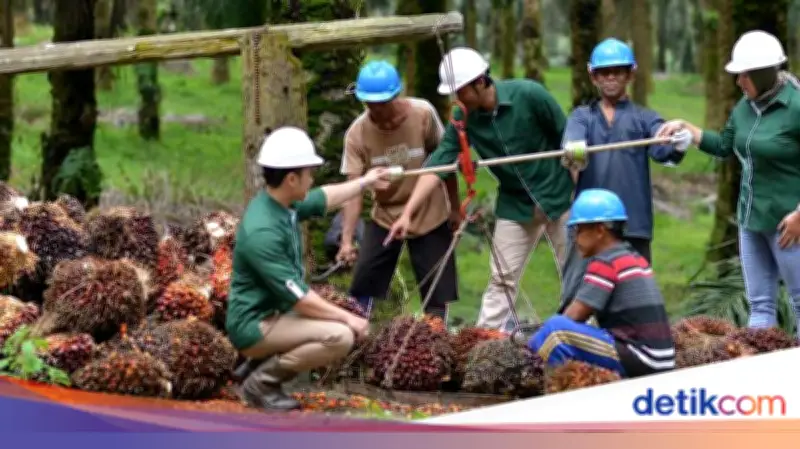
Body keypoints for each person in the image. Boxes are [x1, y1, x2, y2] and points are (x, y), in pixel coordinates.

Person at [385, 47, 574, 330]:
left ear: (480, 81)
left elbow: (569, 138)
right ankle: (484, 343)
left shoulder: (530, 95)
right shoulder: (463, 119)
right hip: (515, 204)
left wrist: (580, 190)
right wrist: (407, 214)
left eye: (461, 91)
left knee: (574, 270)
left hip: (559, 196)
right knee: (501, 277)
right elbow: (437, 165)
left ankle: (590, 335)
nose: (457, 99)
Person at [225, 126, 391, 411]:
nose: (312, 178)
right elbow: (301, 300)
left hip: (274, 312)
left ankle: (254, 367)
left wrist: (365, 182)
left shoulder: (281, 203)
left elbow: (325, 197)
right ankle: (262, 382)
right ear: (291, 178)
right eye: (308, 173)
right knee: (339, 336)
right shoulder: (262, 231)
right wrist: (350, 319)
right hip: (254, 325)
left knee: (336, 324)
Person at [657, 30, 800, 332]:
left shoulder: (796, 108)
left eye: (743, 75)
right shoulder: (744, 107)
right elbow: (724, 145)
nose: (738, 82)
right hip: (750, 220)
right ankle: (760, 372)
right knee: (760, 305)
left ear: (762, 74)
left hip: (789, 225)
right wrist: (688, 131)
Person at [557, 38, 691, 312]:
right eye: (604, 72)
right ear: (593, 76)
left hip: (633, 223)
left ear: (630, 74)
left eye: (618, 71)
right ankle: (565, 345)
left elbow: (661, 146)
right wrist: (573, 151)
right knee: (574, 295)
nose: (611, 78)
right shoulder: (582, 117)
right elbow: (572, 149)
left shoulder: (644, 118)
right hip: (589, 223)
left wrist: (676, 143)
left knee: (636, 299)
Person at [339, 60, 461, 321]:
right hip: (386, 214)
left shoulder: (423, 114)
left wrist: (455, 208)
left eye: (381, 103)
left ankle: (436, 338)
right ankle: (356, 333)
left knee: (438, 291)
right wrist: (347, 240)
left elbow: (446, 161)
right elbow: (353, 191)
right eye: (368, 103)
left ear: (396, 95)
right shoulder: (357, 134)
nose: (374, 109)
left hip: (430, 213)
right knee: (363, 282)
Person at [527, 189, 675, 378]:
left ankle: (527, 372)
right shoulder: (632, 256)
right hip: (661, 358)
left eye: (579, 229)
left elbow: (573, 316)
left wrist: (533, 341)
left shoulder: (606, 261)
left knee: (556, 331)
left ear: (599, 230)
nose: (575, 237)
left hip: (643, 358)